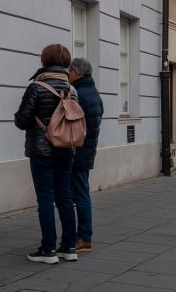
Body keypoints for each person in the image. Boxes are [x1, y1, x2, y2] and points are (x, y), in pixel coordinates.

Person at [14, 44, 78, 264]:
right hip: (66, 149)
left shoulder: (37, 87)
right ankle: (69, 247)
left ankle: (48, 249)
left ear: (45, 60)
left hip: (41, 151)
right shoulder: (72, 89)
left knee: (45, 199)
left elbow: (22, 120)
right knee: (65, 197)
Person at [67, 57, 102, 254]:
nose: (67, 75)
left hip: (78, 151)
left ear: (76, 73)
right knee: (81, 193)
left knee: (80, 195)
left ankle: (84, 238)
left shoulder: (78, 94)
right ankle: (82, 236)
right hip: (87, 150)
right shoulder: (94, 92)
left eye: (69, 72)